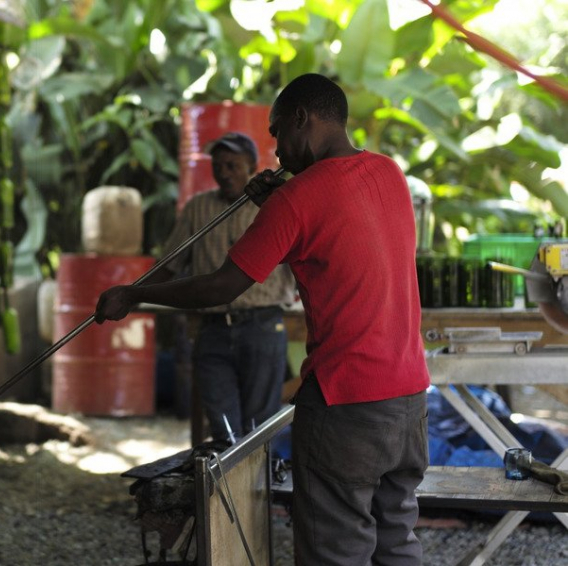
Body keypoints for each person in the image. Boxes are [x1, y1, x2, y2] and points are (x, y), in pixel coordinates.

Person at [95, 73, 430, 565]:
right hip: (409, 399)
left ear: (303, 119)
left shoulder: (296, 200)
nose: (275, 151)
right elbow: (339, 218)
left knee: (336, 550)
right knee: (395, 541)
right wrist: (281, 201)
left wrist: (135, 294)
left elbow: (220, 285)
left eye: (277, 133)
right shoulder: (389, 173)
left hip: (345, 402)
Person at [147, 131, 296, 443]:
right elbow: (169, 265)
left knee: (259, 430)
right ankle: (225, 489)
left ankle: (256, 491)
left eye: (232, 165)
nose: (224, 173)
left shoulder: (274, 205)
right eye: (218, 166)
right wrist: (133, 293)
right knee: (223, 430)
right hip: (212, 328)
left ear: (253, 166)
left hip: (262, 325)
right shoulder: (198, 208)